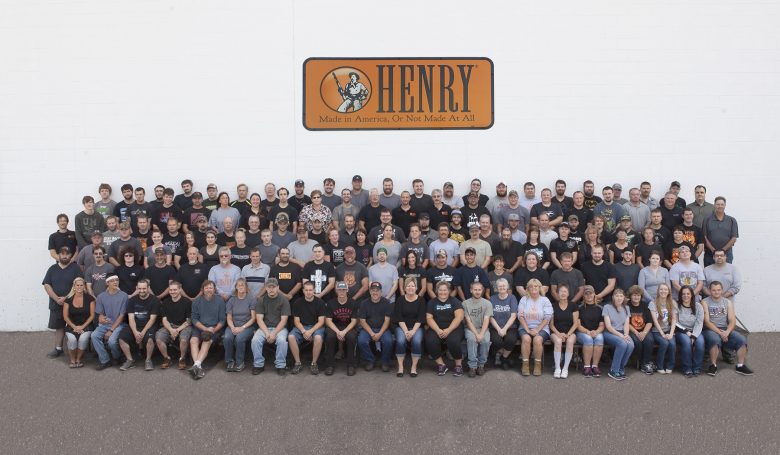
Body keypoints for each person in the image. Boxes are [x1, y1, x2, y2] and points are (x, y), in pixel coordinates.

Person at [701, 281, 754, 376]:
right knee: (715, 339)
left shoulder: (727, 302)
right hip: (710, 329)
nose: (716, 292)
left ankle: (740, 366)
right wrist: (720, 333)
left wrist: (727, 332)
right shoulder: (705, 302)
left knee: (741, 339)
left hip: (725, 329)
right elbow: (707, 322)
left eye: (718, 290)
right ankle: (713, 365)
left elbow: (732, 320)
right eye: (714, 290)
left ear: (722, 290)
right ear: (710, 290)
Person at [42, 246, 83, 358]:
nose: (65, 256)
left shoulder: (76, 268)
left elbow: (79, 284)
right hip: (56, 304)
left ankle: (77, 350)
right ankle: (58, 348)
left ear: (71, 255)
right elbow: (47, 285)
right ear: (58, 255)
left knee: (75, 326)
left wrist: (66, 298)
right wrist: (57, 299)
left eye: (67, 254)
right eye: (62, 254)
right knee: (59, 327)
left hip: (73, 303)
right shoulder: (52, 269)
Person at [251, 278, 291, 376]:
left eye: (273, 287)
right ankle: (258, 364)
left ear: (278, 287)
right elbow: (259, 319)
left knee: (281, 340)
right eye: (269, 287)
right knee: (255, 340)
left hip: (280, 328)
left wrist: (273, 333)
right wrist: (267, 333)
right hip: (265, 327)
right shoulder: (261, 300)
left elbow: (284, 320)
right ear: (266, 288)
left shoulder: (284, 300)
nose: (271, 289)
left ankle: (281, 365)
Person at [117, 279, 160, 371]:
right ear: (136, 288)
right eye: (139, 288)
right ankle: (130, 360)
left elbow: (152, 319)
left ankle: (148, 360)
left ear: (148, 288)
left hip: (149, 325)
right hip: (135, 326)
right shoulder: (132, 300)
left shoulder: (154, 300)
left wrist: (142, 332)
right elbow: (131, 318)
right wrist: (135, 332)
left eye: (144, 288)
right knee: (121, 339)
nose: (142, 291)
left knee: (150, 340)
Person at [425, 281, 465, 377]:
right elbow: (429, 318)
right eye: (440, 290)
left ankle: (458, 365)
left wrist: (448, 330)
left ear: (449, 291)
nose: (443, 292)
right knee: (430, 340)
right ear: (436, 291)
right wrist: (438, 330)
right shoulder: (432, 302)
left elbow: (459, 317)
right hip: (437, 328)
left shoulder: (455, 301)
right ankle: (441, 365)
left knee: (453, 341)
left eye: (445, 290)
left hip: (453, 328)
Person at [189, 280, 227, 380]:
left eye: (211, 288)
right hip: (200, 327)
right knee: (193, 340)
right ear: (202, 290)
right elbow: (194, 319)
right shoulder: (197, 301)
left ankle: (196, 366)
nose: (209, 290)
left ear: (214, 289)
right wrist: (205, 329)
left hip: (214, 328)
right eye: (206, 288)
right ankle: (197, 365)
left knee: (207, 341)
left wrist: (212, 330)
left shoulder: (220, 301)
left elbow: (222, 320)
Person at [287, 281, 327, 375]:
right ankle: (297, 363)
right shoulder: (297, 303)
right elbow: (296, 321)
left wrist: (310, 331)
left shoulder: (320, 302)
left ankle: (314, 363)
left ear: (314, 290)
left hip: (316, 326)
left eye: (310, 290)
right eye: (306, 290)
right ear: (303, 291)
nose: (308, 292)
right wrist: (304, 331)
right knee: (291, 337)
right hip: (302, 327)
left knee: (318, 337)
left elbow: (321, 321)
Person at [92, 274, 129, 370]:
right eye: (112, 281)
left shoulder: (124, 295)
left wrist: (111, 330)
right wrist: (100, 318)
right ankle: (105, 360)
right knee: (94, 336)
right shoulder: (101, 296)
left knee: (112, 341)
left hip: (119, 325)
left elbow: (122, 316)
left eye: (117, 280)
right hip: (105, 324)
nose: (115, 282)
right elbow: (100, 312)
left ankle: (117, 357)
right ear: (107, 283)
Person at [518, 278, 553, 376]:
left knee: (537, 340)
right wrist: (528, 330)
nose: (533, 288)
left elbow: (547, 317)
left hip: (542, 328)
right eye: (531, 286)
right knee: (526, 338)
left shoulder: (545, 300)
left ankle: (537, 364)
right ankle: (525, 364)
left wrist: (537, 329)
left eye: (536, 286)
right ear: (527, 288)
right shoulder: (524, 299)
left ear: (539, 288)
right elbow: (520, 316)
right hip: (525, 327)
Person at [356, 282, 394, 372]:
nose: (375, 293)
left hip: (383, 329)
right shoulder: (364, 303)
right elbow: (362, 321)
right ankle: (370, 360)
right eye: (373, 290)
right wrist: (372, 333)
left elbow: (387, 321)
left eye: (377, 290)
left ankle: (385, 362)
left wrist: (380, 333)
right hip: (368, 329)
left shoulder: (386, 303)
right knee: (361, 340)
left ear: (381, 292)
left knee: (389, 341)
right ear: (369, 292)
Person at [323, 282, 359, 376]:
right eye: (339, 290)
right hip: (334, 326)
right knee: (330, 337)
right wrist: (338, 332)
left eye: (343, 290)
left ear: (347, 290)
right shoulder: (331, 303)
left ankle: (351, 365)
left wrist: (344, 331)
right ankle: (330, 365)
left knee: (351, 337)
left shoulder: (353, 303)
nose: (341, 292)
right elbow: (328, 321)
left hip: (348, 326)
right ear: (336, 291)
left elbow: (354, 321)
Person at [154, 281, 192, 370]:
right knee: (159, 338)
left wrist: (177, 330)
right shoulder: (165, 302)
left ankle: (182, 359)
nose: (172, 292)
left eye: (175, 290)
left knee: (183, 339)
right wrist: (171, 330)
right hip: (169, 326)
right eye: (170, 290)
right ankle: (166, 358)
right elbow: (164, 320)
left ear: (179, 290)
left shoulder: (187, 302)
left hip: (184, 326)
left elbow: (189, 321)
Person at [393, 278, 426, 377]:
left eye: (412, 286)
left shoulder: (421, 300)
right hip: (402, 327)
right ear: (404, 288)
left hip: (416, 327)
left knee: (416, 341)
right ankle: (400, 367)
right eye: (408, 286)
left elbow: (420, 318)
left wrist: (412, 332)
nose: (410, 288)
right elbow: (399, 317)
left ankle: (413, 367)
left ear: (416, 287)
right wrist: (407, 331)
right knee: (400, 341)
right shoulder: (400, 299)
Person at [223, 278, 257, 372]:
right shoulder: (232, 300)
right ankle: (229, 361)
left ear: (246, 287)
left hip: (247, 326)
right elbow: (229, 318)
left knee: (239, 338)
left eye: (243, 285)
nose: (241, 287)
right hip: (233, 325)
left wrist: (242, 328)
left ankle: (240, 362)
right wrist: (233, 327)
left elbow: (253, 318)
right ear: (236, 287)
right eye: (239, 285)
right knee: (227, 337)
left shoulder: (251, 299)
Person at [461, 282, 493, 378]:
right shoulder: (465, 303)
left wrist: (481, 334)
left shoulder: (487, 303)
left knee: (486, 340)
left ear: (482, 290)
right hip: (471, 329)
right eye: (475, 290)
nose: (477, 292)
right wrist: (476, 334)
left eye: (479, 290)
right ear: (471, 290)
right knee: (472, 339)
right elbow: (468, 321)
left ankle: (481, 365)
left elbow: (487, 320)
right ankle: (472, 366)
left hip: (483, 328)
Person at [601, 288, 634, 380]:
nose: (619, 298)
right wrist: (621, 336)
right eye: (617, 296)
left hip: (623, 332)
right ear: (613, 297)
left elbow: (626, 324)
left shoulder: (626, 308)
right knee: (622, 343)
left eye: (621, 296)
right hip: (610, 333)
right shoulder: (607, 307)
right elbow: (608, 326)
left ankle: (620, 368)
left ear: (624, 298)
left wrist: (626, 334)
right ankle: (613, 370)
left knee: (631, 345)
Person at [63, 277, 95, 368]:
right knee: (72, 340)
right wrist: (74, 327)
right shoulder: (68, 299)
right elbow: (65, 316)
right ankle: (72, 360)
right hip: (71, 325)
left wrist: (82, 327)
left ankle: (78, 359)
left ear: (84, 286)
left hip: (86, 325)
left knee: (83, 339)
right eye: (77, 285)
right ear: (74, 286)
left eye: (81, 285)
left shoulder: (90, 298)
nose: (79, 287)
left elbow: (92, 316)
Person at [549, 284, 579, 378]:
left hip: (570, 332)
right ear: (557, 293)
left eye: (565, 291)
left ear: (568, 293)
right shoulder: (553, 306)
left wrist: (567, 334)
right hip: (556, 332)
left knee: (570, 342)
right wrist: (559, 334)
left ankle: (565, 369)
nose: (563, 293)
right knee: (558, 341)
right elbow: (551, 325)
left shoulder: (573, 306)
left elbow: (576, 323)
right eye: (561, 291)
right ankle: (558, 368)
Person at [675, 285, 705, 377]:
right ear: (680, 295)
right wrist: (686, 332)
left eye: (688, 293)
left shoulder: (698, 306)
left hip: (695, 330)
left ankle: (696, 368)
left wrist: (694, 336)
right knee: (686, 342)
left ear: (692, 295)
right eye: (683, 294)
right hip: (681, 331)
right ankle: (687, 368)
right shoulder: (676, 305)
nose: (686, 296)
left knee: (700, 342)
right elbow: (675, 322)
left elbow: (699, 323)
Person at [489, 278, 518, 370]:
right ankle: (505, 356)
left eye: (503, 286)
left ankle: (504, 358)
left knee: (510, 340)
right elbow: (490, 317)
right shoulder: (492, 299)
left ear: (507, 287)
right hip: (495, 327)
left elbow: (513, 316)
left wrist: (505, 329)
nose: (502, 287)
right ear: (496, 288)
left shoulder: (512, 298)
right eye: (499, 286)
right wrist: (498, 329)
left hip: (510, 327)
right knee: (497, 342)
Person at [576, 286, 605, 378]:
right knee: (588, 340)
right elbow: (578, 325)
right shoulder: (579, 308)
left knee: (600, 338)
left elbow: (602, 325)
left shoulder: (600, 308)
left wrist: (596, 332)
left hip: (596, 331)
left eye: (591, 293)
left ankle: (595, 366)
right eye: (586, 293)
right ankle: (587, 367)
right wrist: (587, 332)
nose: (589, 295)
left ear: (594, 294)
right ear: (583, 295)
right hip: (582, 332)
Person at [649, 283, 677, 374]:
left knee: (672, 344)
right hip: (657, 331)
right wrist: (662, 334)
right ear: (658, 291)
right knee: (664, 343)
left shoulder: (672, 303)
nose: (663, 291)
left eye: (665, 289)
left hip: (668, 330)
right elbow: (655, 321)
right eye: (661, 289)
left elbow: (673, 320)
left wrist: (671, 333)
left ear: (668, 292)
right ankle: (659, 365)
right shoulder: (653, 303)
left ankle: (670, 365)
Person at [702, 196, 739, 266]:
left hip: (727, 254)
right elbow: (704, 237)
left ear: (725, 205)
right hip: (710, 254)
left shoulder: (732, 220)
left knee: (726, 275)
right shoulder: (706, 220)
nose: (720, 206)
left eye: (722, 204)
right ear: (714, 205)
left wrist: (723, 250)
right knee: (709, 275)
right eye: (718, 204)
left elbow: (734, 238)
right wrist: (713, 250)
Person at [627, 285, 655, 375]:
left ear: (641, 296)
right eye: (634, 295)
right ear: (630, 296)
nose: (636, 297)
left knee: (649, 340)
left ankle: (645, 363)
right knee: (637, 342)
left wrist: (644, 332)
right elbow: (626, 322)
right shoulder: (627, 306)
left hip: (644, 330)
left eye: (638, 295)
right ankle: (640, 362)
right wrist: (636, 332)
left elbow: (650, 321)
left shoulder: (644, 305)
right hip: (632, 330)